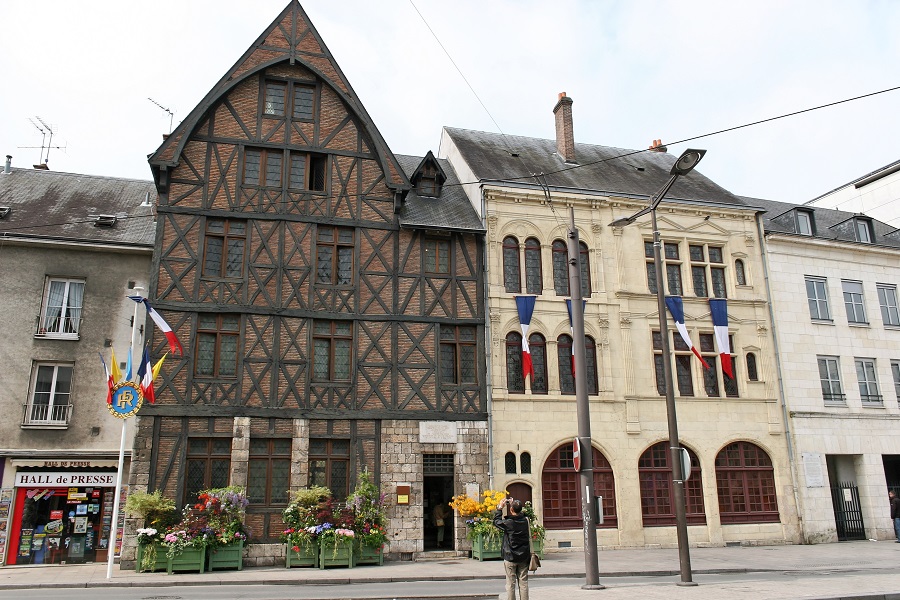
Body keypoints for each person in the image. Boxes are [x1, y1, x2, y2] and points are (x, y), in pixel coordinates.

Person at [493, 497, 530, 600]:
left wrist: (500, 508)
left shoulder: (509, 523)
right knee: (523, 583)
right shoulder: (525, 521)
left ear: (511, 510)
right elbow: (524, 514)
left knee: (510, 583)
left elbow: (496, 521)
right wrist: (515, 505)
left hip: (510, 555)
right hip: (523, 556)